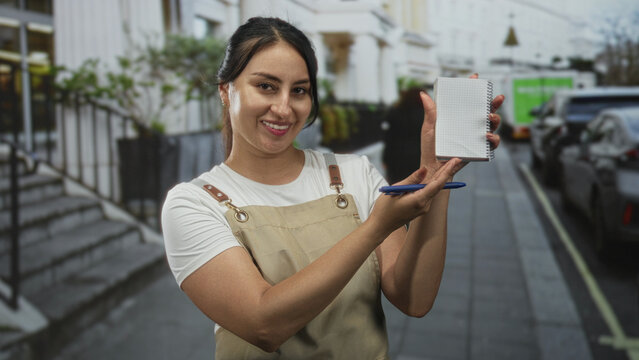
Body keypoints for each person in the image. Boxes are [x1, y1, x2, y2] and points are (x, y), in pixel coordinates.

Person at [161, 17, 504, 360]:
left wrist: (438, 174)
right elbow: (263, 324)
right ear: (226, 90)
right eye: (266, 86)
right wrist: (376, 227)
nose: (283, 108)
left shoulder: (356, 172)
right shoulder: (192, 204)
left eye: (299, 90)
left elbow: (414, 298)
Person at [383, 87, 425, 184]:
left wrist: (385, 159)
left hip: (397, 157)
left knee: (398, 187)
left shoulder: (395, 112)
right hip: (419, 156)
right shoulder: (424, 114)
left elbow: (389, 138)